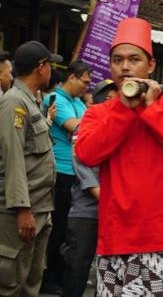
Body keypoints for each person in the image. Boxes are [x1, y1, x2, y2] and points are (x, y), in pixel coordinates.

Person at [75, 17, 163, 295]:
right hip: (116, 238)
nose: (125, 67)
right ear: (110, 67)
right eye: (117, 60)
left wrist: (150, 109)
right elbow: (87, 154)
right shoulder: (99, 112)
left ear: (151, 65)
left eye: (134, 59)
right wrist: (123, 110)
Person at [0, 41, 60, 296]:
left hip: (40, 207)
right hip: (21, 211)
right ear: (42, 67)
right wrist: (22, 209)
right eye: (50, 65)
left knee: (31, 283)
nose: (51, 71)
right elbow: (13, 159)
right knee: (11, 283)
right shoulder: (14, 103)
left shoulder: (31, 101)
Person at [60, 79, 117, 297]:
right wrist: (116, 202)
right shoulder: (85, 128)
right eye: (112, 98)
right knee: (77, 271)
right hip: (88, 212)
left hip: (111, 211)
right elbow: (86, 173)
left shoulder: (119, 127)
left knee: (107, 273)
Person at [41, 61, 92, 294]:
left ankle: (61, 275)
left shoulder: (78, 102)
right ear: (72, 77)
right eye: (85, 81)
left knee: (69, 231)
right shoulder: (55, 100)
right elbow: (77, 127)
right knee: (58, 227)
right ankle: (48, 276)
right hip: (61, 171)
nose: (87, 86)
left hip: (77, 173)